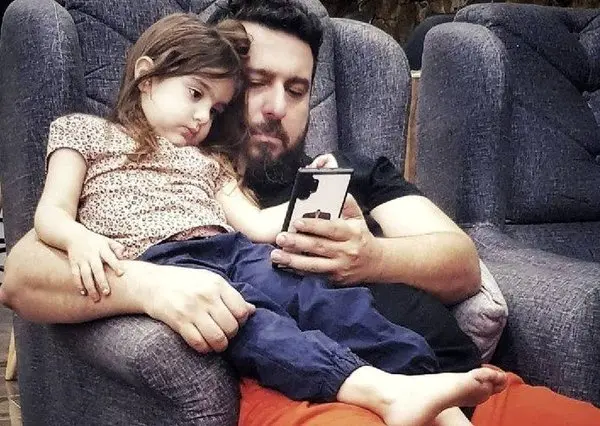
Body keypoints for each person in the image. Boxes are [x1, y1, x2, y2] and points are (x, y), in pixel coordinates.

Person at [1, 1, 598, 425]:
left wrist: (372, 256)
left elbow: (462, 265)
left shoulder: (350, 173)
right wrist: (149, 283)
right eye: (255, 82)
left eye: (297, 88)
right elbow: (23, 275)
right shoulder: (163, 171)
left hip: (462, 384)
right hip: (319, 394)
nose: (274, 106)